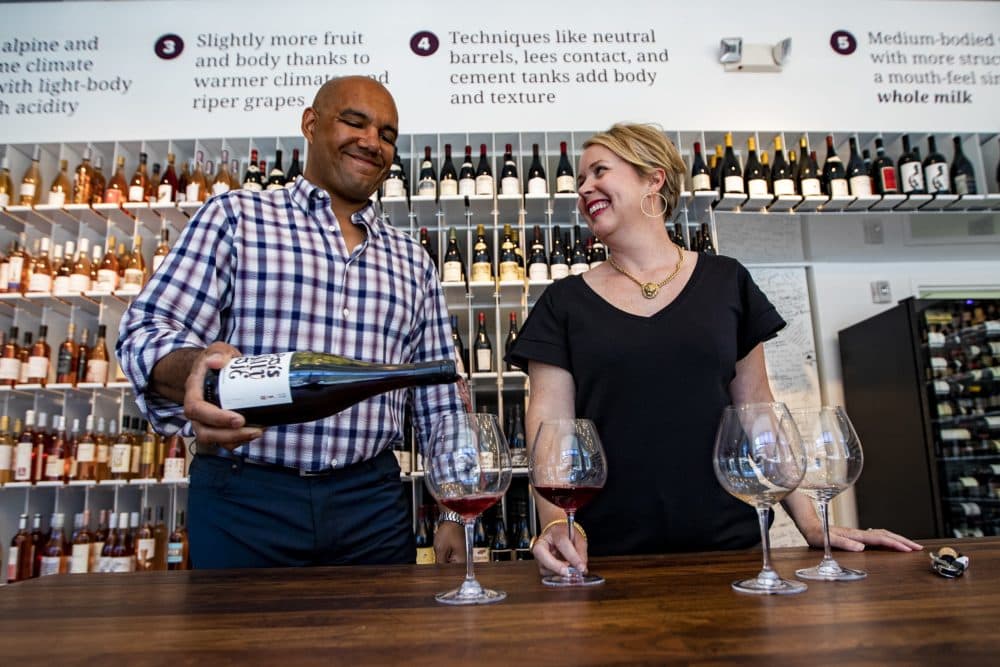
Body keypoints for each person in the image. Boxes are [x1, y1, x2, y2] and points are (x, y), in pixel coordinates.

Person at [506, 123, 921, 579]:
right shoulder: (562, 303)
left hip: (730, 546)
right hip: (607, 555)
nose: (584, 188)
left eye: (599, 171)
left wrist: (812, 522)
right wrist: (558, 527)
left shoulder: (727, 281)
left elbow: (758, 412)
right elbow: (550, 433)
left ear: (653, 178)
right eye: (580, 180)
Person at [116, 76, 466, 568]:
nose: (372, 142)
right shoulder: (235, 217)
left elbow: (438, 392)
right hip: (245, 497)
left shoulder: (412, 259)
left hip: (373, 504)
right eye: (355, 121)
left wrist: (453, 508)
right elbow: (144, 332)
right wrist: (196, 368)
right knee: (237, 644)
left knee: (384, 645)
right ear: (310, 124)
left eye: (387, 134)